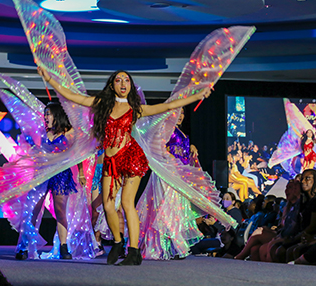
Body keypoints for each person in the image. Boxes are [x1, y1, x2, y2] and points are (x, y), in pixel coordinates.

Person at [38, 67, 212, 265]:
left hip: (131, 157)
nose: (123, 83)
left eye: (126, 80)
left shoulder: (135, 109)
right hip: (111, 161)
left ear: (130, 86)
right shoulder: (101, 103)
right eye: (119, 80)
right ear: (112, 85)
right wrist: (49, 79)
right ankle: (119, 241)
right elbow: (71, 96)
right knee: (108, 205)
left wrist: (197, 94)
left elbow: (168, 106)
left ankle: (134, 251)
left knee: (128, 204)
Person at [12, 103, 82, 260]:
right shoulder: (42, 133)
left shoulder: (69, 133)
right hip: (42, 174)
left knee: (60, 211)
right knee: (33, 211)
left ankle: (64, 247)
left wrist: (82, 174)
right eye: (45, 114)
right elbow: (34, 149)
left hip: (61, 174)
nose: (46, 117)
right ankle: (23, 246)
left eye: (48, 114)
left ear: (57, 115)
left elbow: (78, 154)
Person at [137, 109, 205, 260]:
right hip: (167, 174)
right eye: (178, 113)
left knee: (175, 210)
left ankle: (170, 247)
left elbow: (182, 152)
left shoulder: (178, 131)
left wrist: (191, 146)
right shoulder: (164, 129)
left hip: (178, 175)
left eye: (183, 114)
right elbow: (156, 149)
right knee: (166, 208)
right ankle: (177, 246)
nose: (181, 116)